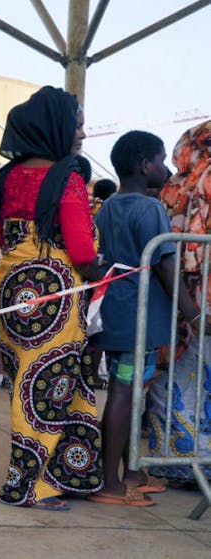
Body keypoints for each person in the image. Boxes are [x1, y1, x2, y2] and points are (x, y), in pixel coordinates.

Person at [0, 86, 103, 511]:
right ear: (56, 126)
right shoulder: (66, 178)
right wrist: (101, 273)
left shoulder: (8, 176)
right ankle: (25, 486)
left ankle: (63, 474)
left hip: (16, 294)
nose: (82, 134)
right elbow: (81, 250)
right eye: (77, 126)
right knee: (48, 388)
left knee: (33, 385)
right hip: (56, 296)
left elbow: (5, 235)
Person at [88, 130, 205, 506]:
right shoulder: (150, 209)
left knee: (128, 391)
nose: (166, 168)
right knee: (124, 394)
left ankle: (133, 472)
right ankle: (110, 482)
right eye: (160, 160)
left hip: (116, 311)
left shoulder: (109, 205)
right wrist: (193, 314)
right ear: (144, 165)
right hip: (136, 318)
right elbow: (165, 266)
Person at [148, 120, 211, 488]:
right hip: (198, 296)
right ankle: (194, 461)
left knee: (175, 372)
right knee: (194, 372)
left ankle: (174, 460)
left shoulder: (176, 185)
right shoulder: (201, 181)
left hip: (176, 296)